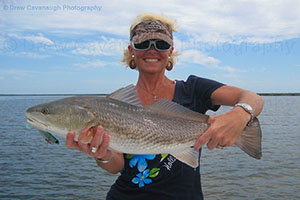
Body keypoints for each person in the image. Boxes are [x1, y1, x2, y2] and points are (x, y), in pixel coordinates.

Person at [65, 13, 264, 200]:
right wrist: (102, 155)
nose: (152, 50)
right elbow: (117, 166)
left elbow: (253, 98)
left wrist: (239, 115)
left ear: (170, 50)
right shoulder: (116, 104)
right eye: (143, 43)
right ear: (131, 50)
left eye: (161, 44)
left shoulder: (193, 89)